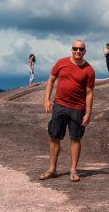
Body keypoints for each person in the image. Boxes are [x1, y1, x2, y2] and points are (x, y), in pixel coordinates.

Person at [40, 40, 96, 183]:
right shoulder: (61, 63)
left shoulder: (89, 70)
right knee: (54, 136)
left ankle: (73, 170)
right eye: (75, 48)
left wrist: (88, 113)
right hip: (60, 105)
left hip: (78, 108)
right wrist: (46, 99)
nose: (78, 51)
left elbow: (89, 92)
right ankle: (52, 169)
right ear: (71, 49)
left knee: (76, 138)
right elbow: (51, 80)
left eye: (81, 49)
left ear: (85, 51)